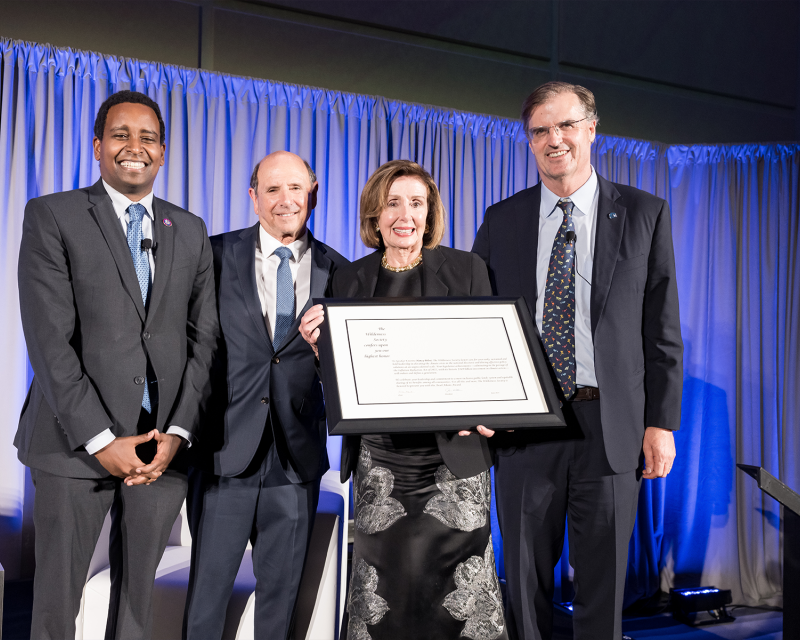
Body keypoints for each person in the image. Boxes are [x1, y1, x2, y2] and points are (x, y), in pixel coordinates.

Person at [472, 81, 683, 639]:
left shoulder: (644, 213)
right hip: (524, 427)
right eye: (540, 130)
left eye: (565, 125)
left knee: (603, 588)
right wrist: (481, 402)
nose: (554, 139)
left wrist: (661, 422)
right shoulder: (502, 220)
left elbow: (662, 331)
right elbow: (477, 326)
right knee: (523, 581)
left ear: (592, 129)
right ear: (529, 140)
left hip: (610, 426)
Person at [15, 90, 218, 639]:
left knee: (137, 607)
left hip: (161, 449)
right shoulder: (52, 215)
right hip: (72, 446)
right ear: (98, 147)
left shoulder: (190, 229)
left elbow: (205, 341)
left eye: (147, 137)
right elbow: (49, 343)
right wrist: (103, 442)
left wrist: (176, 434)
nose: (135, 147)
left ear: (164, 151)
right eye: (121, 135)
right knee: (57, 606)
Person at [301, 160, 507, 640]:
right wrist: (318, 350)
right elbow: (341, 381)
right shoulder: (347, 278)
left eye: (417, 203)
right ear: (375, 214)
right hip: (381, 463)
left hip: (451, 462)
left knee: (455, 598)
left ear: (430, 212)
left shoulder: (466, 269)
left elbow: (490, 356)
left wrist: (484, 410)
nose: (405, 215)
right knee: (386, 595)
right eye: (392, 203)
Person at [183, 151, 349, 639]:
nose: (285, 201)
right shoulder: (210, 256)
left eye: (296, 189)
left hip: (295, 461)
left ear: (312, 194)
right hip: (222, 452)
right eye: (272, 190)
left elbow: (344, 373)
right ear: (253, 198)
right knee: (206, 602)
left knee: (280, 606)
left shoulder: (341, 273)